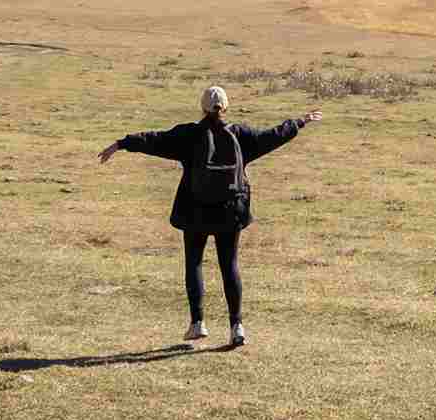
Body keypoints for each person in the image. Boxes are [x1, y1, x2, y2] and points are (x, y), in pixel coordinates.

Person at [98, 85, 320, 349]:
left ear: (202, 107)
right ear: (225, 108)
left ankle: (197, 323)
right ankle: (237, 327)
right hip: (231, 210)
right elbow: (272, 136)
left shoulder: (188, 135)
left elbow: (154, 139)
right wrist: (299, 122)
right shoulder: (241, 135)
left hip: (195, 211)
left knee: (194, 263)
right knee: (230, 265)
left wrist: (122, 143)